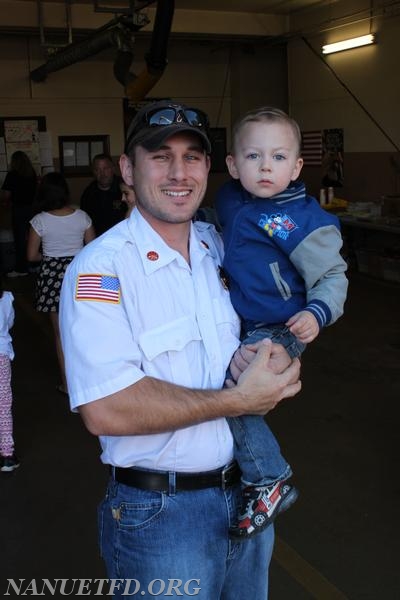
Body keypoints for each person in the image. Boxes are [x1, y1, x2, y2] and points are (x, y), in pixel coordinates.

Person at [59, 100, 301, 598]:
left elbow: (275, 314)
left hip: (248, 499)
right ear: (127, 168)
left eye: (192, 157)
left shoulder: (223, 244)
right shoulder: (101, 271)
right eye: (159, 156)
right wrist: (239, 401)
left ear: (209, 168)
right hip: (161, 516)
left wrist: (284, 353)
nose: (179, 172)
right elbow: (105, 409)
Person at [215, 106, 348, 540]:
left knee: (235, 393)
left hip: (282, 326)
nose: (265, 166)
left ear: (296, 167)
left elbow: (331, 276)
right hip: (244, 320)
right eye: (253, 157)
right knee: (225, 387)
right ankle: (249, 472)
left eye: (277, 157)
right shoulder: (231, 199)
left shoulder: (307, 221)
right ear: (234, 165)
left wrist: (316, 312)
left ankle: (268, 477)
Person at [27, 172, 95, 396]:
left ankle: (68, 386)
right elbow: (93, 251)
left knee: (60, 334)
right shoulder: (82, 217)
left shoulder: (39, 221)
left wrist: (51, 257)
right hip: (79, 274)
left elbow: (31, 256)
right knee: (85, 330)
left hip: (51, 277)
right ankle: (90, 383)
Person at [0, 150, 38, 277]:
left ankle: (21, 268)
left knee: (20, 240)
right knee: (33, 238)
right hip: (33, 209)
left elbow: (6, 195)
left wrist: (6, 201)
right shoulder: (32, 173)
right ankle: (34, 266)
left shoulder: (12, 175)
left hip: (19, 210)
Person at [80, 154, 127, 236]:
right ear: (93, 172)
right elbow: (84, 223)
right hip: (98, 240)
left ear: (113, 168)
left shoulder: (124, 189)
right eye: (97, 170)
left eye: (106, 168)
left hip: (122, 238)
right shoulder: (89, 193)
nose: (102, 173)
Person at [0, 280, 19, 472]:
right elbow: (9, 322)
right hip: (1, 355)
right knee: (3, 406)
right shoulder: (6, 298)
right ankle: (7, 456)